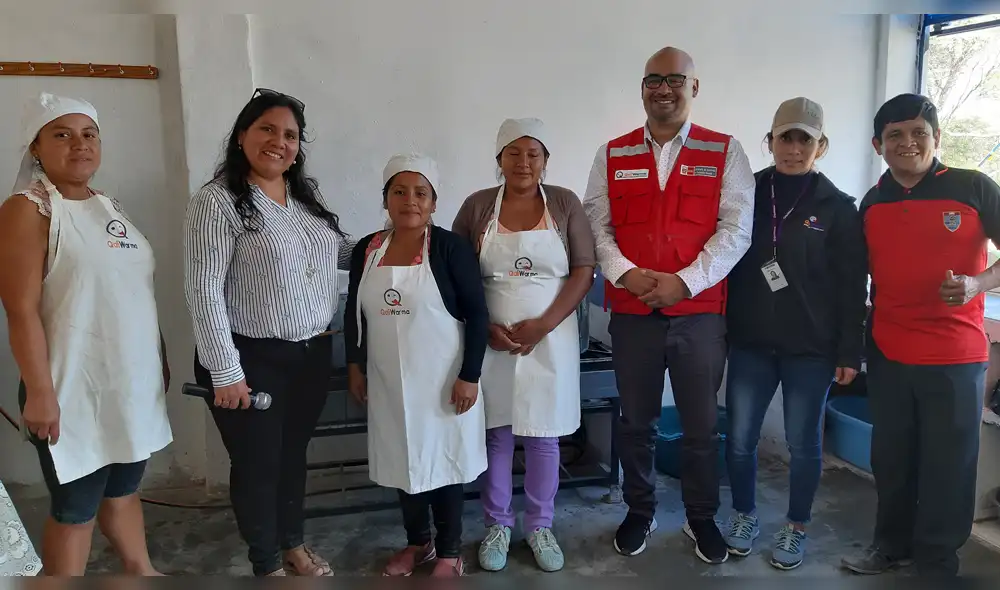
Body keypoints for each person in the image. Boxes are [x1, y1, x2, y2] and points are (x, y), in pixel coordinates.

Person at [582, 46, 756, 564]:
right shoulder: (612, 154)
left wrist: (685, 282)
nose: (664, 89)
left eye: (675, 80)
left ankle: (701, 519)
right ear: (642, 89)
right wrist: (626, 274)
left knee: (701, 425)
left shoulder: (724, 150)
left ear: (694, 88)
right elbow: (596, 222)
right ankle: (640, 510)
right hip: (633, 314)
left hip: (698, 315)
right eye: (653, 80)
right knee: (635, 423)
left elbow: (736, 228)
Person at [0, 92, 172, 575]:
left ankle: (142, 571)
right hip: (70, 387)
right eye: (62, 134)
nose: (80, 145)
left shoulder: (108, 206)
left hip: (128, 384)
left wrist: (157, 356)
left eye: (89, 134)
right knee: (76, 510)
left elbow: (132, 290)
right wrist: (40, 393)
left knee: (123, 490)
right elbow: (20, 309)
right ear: (36, 148)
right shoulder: (26, 210)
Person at [183, 88, 353, 577]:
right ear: (241, 137)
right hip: (248, 358)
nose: (280, 142)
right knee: (259, 466)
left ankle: (293, 546)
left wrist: (400, 240)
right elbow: (204, 291)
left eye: (291, 135)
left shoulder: (303, 198)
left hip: (311, 353)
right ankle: (266, 566)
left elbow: (341, 254)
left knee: (292, 458)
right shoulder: (217, 202)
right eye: (268, 130)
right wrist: (225, 371)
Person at [841, 93, 1000, 577]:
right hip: (889, 351)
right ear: (877, 144)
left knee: (948, 467)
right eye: (895, 135)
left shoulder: (974, 188)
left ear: (936, 138)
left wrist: (978, 283)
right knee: (891, 461)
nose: (907, 143)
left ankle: (936, 560)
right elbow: (855, 282)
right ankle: (889, 547)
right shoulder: (872, 201)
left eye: (918, 133)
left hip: (956, 356)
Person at [722, 97, 868, 570]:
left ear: (820, 146)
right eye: (786, 137)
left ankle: (796, 525)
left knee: (803, 443)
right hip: (750, 344)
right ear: (770, 142)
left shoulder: (839, 207)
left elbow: (852, 286)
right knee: (740, 438)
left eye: (805, 139)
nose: (794, 147)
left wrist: (850, 350)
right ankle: (743, 515)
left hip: (812, 349)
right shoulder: (745, 193)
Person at [452, 118, 596, 573]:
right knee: (497, 433)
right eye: (513, 153)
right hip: (491, 339)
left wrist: (545, 325)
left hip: (549, 340)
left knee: (543, 435)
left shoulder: (565, 204)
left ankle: (539, 525)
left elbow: (583, 269)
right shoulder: (477, 207)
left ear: (546, 161)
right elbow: (456, 274)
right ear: (499, 160)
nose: (524, 162)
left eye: (533, 153)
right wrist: (486, 326)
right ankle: (497, 524)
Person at [345, 154, 489, 577]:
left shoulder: (450, 248)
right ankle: (417, 544)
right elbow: (354, 314)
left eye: (420, 192)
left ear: (433, 202)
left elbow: (478, 315)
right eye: (399, 191)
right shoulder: (367, 250)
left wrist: (470, 375)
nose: (410, 200)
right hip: (390, 381)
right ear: (386, 199)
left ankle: (449, 552)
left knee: (444, 464)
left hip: (445, 381)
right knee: (402, 462)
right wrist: (356, 366)